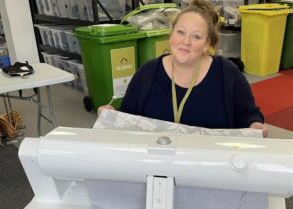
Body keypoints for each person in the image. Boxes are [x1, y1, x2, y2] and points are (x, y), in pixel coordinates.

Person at [98, 0, 268, 137]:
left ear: (206, 44)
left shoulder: (227, 74)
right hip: (157, 168)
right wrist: (111, 115)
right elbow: (128, 115)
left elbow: (249, 115)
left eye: (196, 36)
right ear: (171, 35)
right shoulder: (148, 72)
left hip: (210, 169)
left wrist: (255, 125)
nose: (186, 42)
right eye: (180, 32)